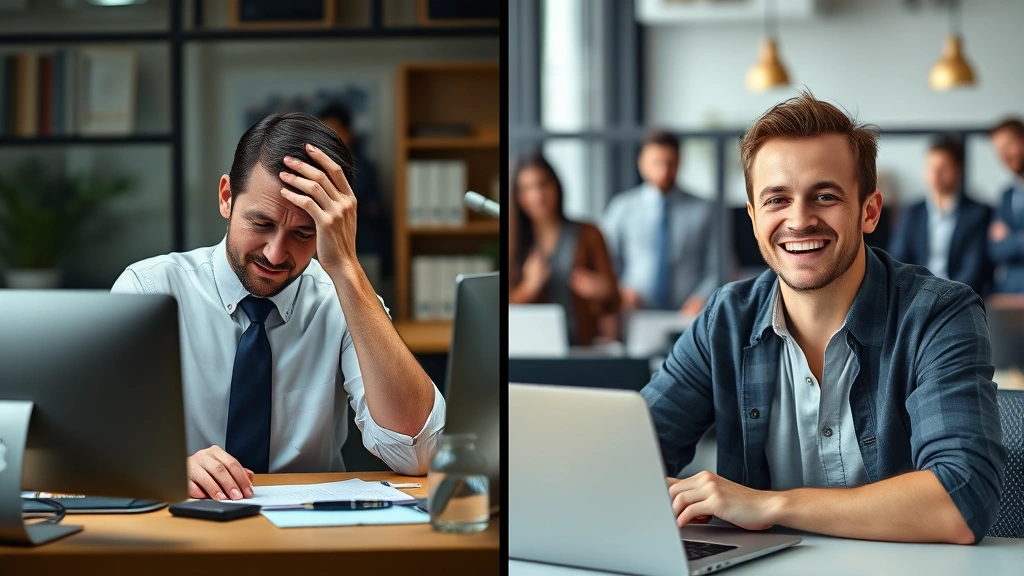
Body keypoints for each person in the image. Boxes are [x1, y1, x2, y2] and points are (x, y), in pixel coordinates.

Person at [641, 92, 1004, 544]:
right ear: (753, 218)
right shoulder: (724, 320)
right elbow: (631, 460)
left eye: (825, 196)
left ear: (869, 211)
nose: (799, 220)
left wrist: (768, 504)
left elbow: (961, 501)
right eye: (776, 200)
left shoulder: (938, 314)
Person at [112, 113, 444, 501]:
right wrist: (163, 464)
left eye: (304, 233)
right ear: (226, 197)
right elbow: (94, 433)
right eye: (261, 223)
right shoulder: (149, 289)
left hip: (306, 540)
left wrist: (347, 267)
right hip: (183, 523)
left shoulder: (342, 300)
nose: (275, 253)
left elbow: (419, 452)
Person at [601, 130, 720, 316]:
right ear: (642, 163)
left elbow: (718, 265)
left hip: (691, 315)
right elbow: (606, 261)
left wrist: (701, 298)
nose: (664, 170)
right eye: (656, 162)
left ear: (680, 162)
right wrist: (620, 290)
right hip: (634, 312)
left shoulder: (705, 210)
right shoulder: (622, 208)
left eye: (670, 162)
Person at [509, 152, 620, 346]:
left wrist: (601, 290)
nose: (537, 195)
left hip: (583, 345)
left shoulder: (589, 233)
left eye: (544, 184)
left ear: (556, 186)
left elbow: (614, 298)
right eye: (526, 188)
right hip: (531, 347)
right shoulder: (512, 242)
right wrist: (529, 287)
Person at [888, 135, 993, 296]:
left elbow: (974, 268)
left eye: (943, 168)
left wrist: (947, 298)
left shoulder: (978, 213)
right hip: (916, 296)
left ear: (958, 171)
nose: (935, 174)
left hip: (961, 297)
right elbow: (898, 259)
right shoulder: (912, 212)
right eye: (930, 167)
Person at [318, 103, 393, 284]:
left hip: (363, 247)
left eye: (335, 131)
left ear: (348, 132)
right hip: (328, 248)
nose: (329, 139)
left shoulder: (363, 167)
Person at [988, 117, 1024, 293]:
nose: (1003, 155)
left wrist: (1011, 238)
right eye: (998, 150)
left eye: (1007, 146)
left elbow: (1004, 245)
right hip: (1008, 293)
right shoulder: (1006, 195)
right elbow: (995, 250)